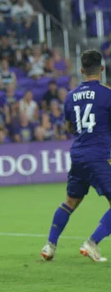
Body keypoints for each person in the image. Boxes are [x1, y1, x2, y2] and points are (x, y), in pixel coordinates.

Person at [41, 50, 111, 263]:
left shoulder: (71, 97)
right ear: (102, 68)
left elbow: (71, 127)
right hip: (100, 155)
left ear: (81, 71)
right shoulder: (108, 94)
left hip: (79, 155)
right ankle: (91, 243)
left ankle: (50, 246)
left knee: (70, 202)